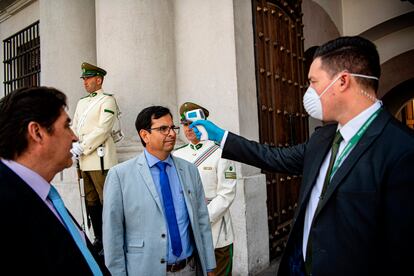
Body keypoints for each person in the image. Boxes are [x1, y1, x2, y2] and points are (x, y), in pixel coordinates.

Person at [191, 36, 414, 276]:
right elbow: (274, 157)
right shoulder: (323, 137)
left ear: (342, 81)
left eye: (313, 82)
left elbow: (401, 252)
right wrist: (222, 136)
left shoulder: (402, 150)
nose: (308, 92)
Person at [0, 86, 109, 275]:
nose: (74, 137)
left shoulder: (43, 193)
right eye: (66, 125)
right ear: (37, 132)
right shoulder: (6, 203)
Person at [102, 105, 216, 275]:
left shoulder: (189, 170)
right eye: (163, 129)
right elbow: (113, 235)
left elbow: (202, 222)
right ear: (145, 135)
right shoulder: (120, 176)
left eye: (172, 128)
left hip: (189, 269)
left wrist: (210, 267)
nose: (172, 133)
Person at [173, 102, 237, 276]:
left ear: (203, 124)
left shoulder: (221, 152)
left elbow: (227, 193)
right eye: (185, 124)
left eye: (193, 124)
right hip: (188, 231)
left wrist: (201, 218)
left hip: (216, 232)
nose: (189, 128)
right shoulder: (177, 155)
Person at [71, 62, 119, 253]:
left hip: (100, 157)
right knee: (90, 200)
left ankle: (111, 239)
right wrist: (72, 142)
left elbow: (103, 128)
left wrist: (83, 146)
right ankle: (99, 237)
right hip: (84, 159)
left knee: (105, 199)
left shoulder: (108, 100)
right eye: (84, 79)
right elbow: (74, 126)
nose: (85, 82)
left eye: (88, 78)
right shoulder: (82, 102)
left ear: (99, 80)